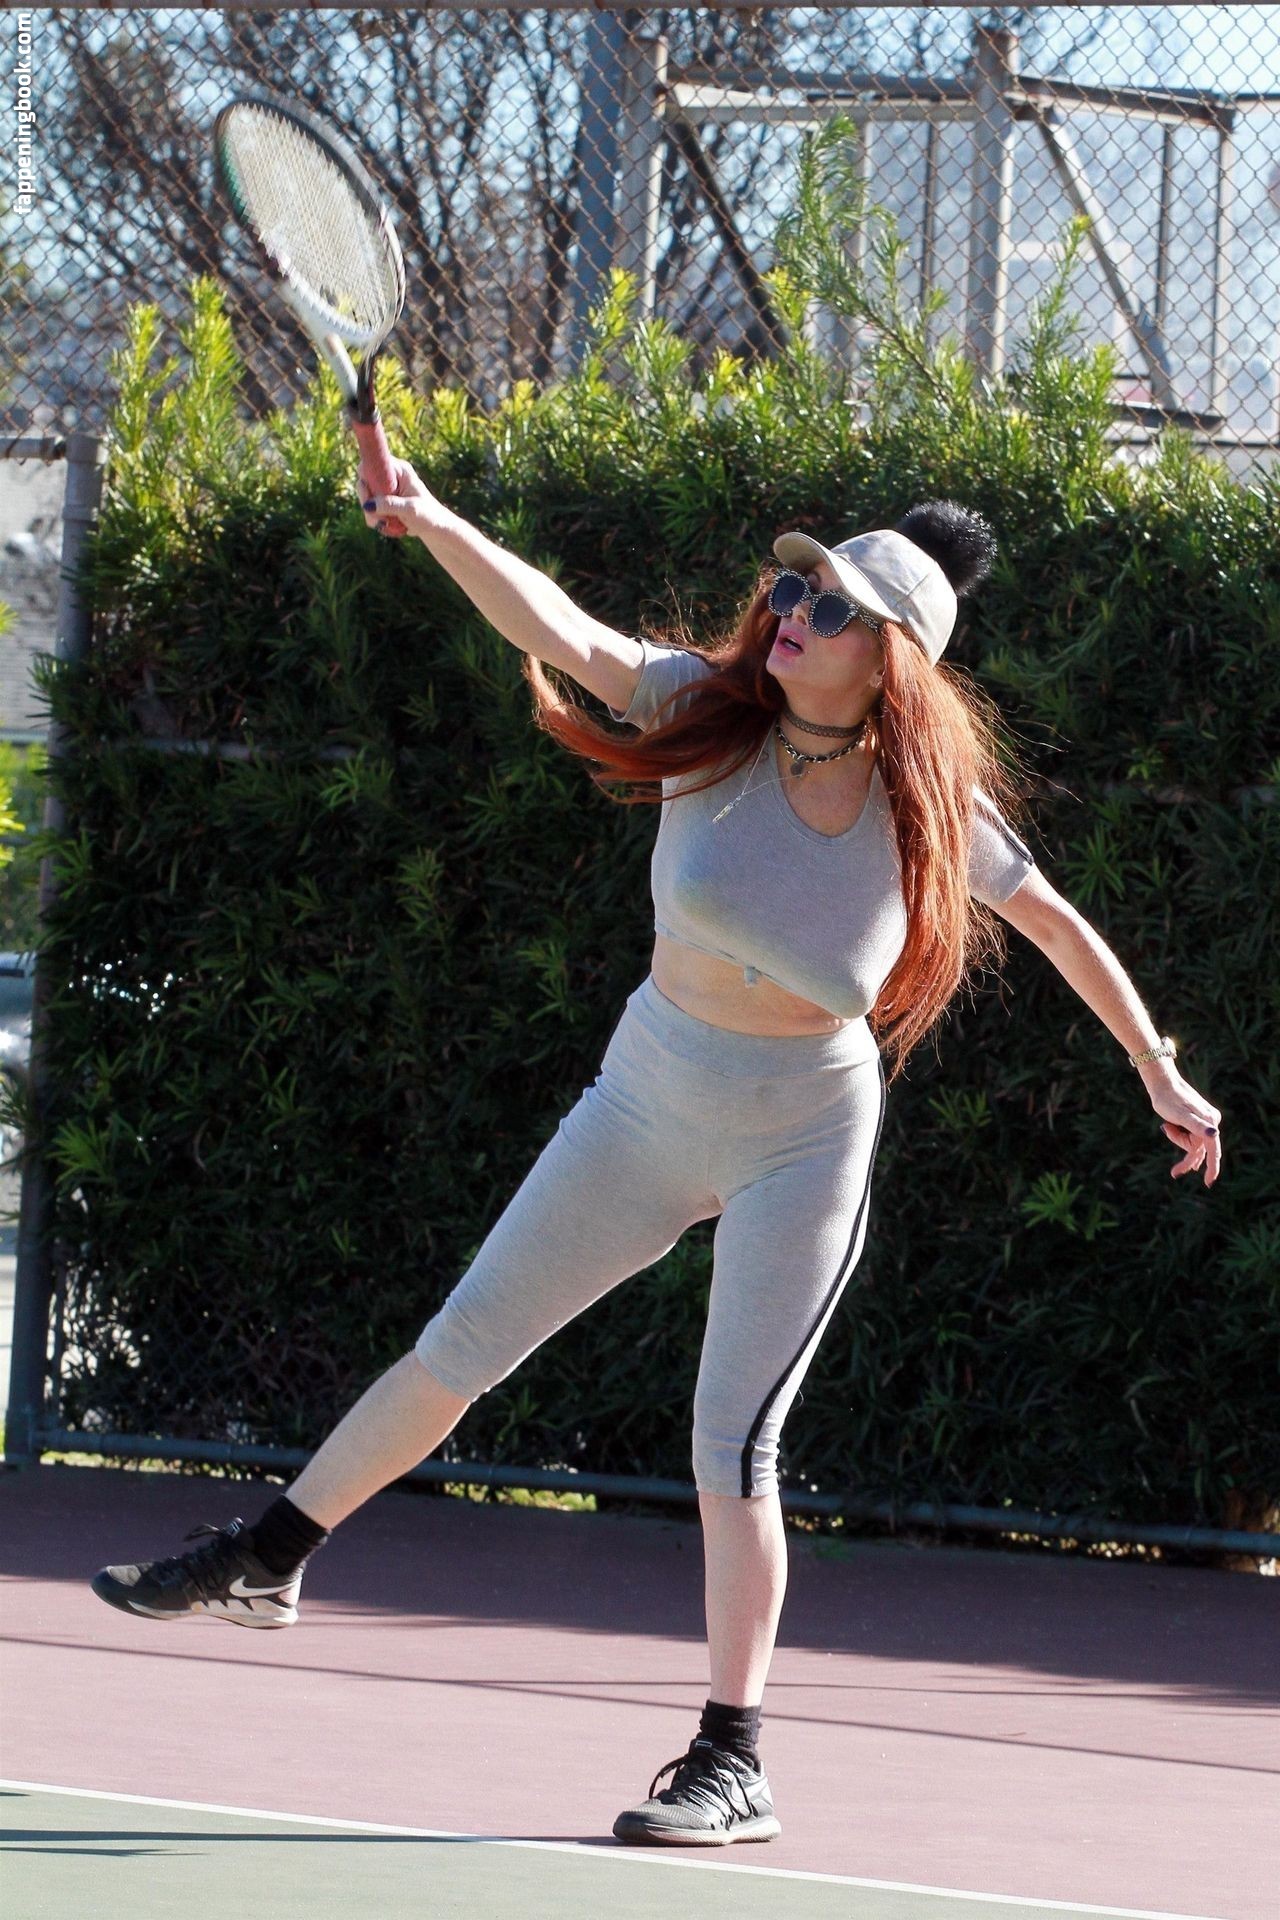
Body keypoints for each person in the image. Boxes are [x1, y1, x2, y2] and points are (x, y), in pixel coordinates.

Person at [91, 465, 1222, 1848]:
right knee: (459, 1347)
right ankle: (268, 1557)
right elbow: (564, 631)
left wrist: (1155, 1065)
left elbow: (1052, 920)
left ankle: (732, 1761)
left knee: (730, 1447)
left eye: (831, 605)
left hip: (803, 1134)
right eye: (792, 585)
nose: (792, 610)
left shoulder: (928, 806)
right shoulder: (701, 711)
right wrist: (430, 518)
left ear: (893, 658)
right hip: (645, 1099)